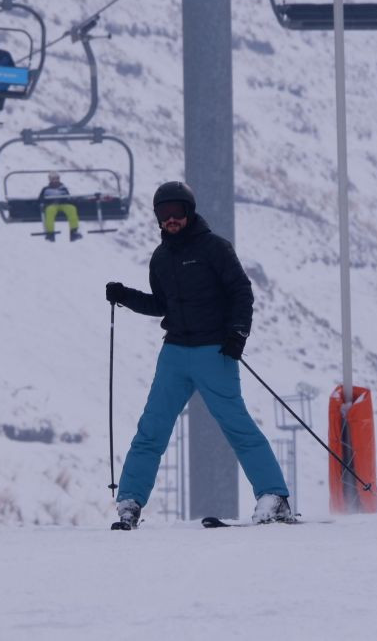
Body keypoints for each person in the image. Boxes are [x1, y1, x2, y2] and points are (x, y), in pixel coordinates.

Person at [105, 181, 291, 529]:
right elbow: (161, 305)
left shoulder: (215, 249)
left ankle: (274, 497)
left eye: (177, 212)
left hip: (213, 352)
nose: (171, 219)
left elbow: (241, 292)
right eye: (164, 213)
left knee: (236, 426)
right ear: (157, 218)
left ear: (189, 212)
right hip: (175, 353)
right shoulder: (161, 258)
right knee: (151, 429)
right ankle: (129, 503)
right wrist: (125, 295)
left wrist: (237, 334)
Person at [38, 173, 82, 242]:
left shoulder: (63, 188)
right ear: (50, 180)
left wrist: (73, 201)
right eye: (53, 179)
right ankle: (50, 233)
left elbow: (68, 198)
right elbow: (41, 198)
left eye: (57, 179)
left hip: (63, 204)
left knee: (71, 209)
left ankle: (73, 232)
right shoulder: (46, 189)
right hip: (51, 205)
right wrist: (43, 203)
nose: (55, 180)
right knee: (49, 211)